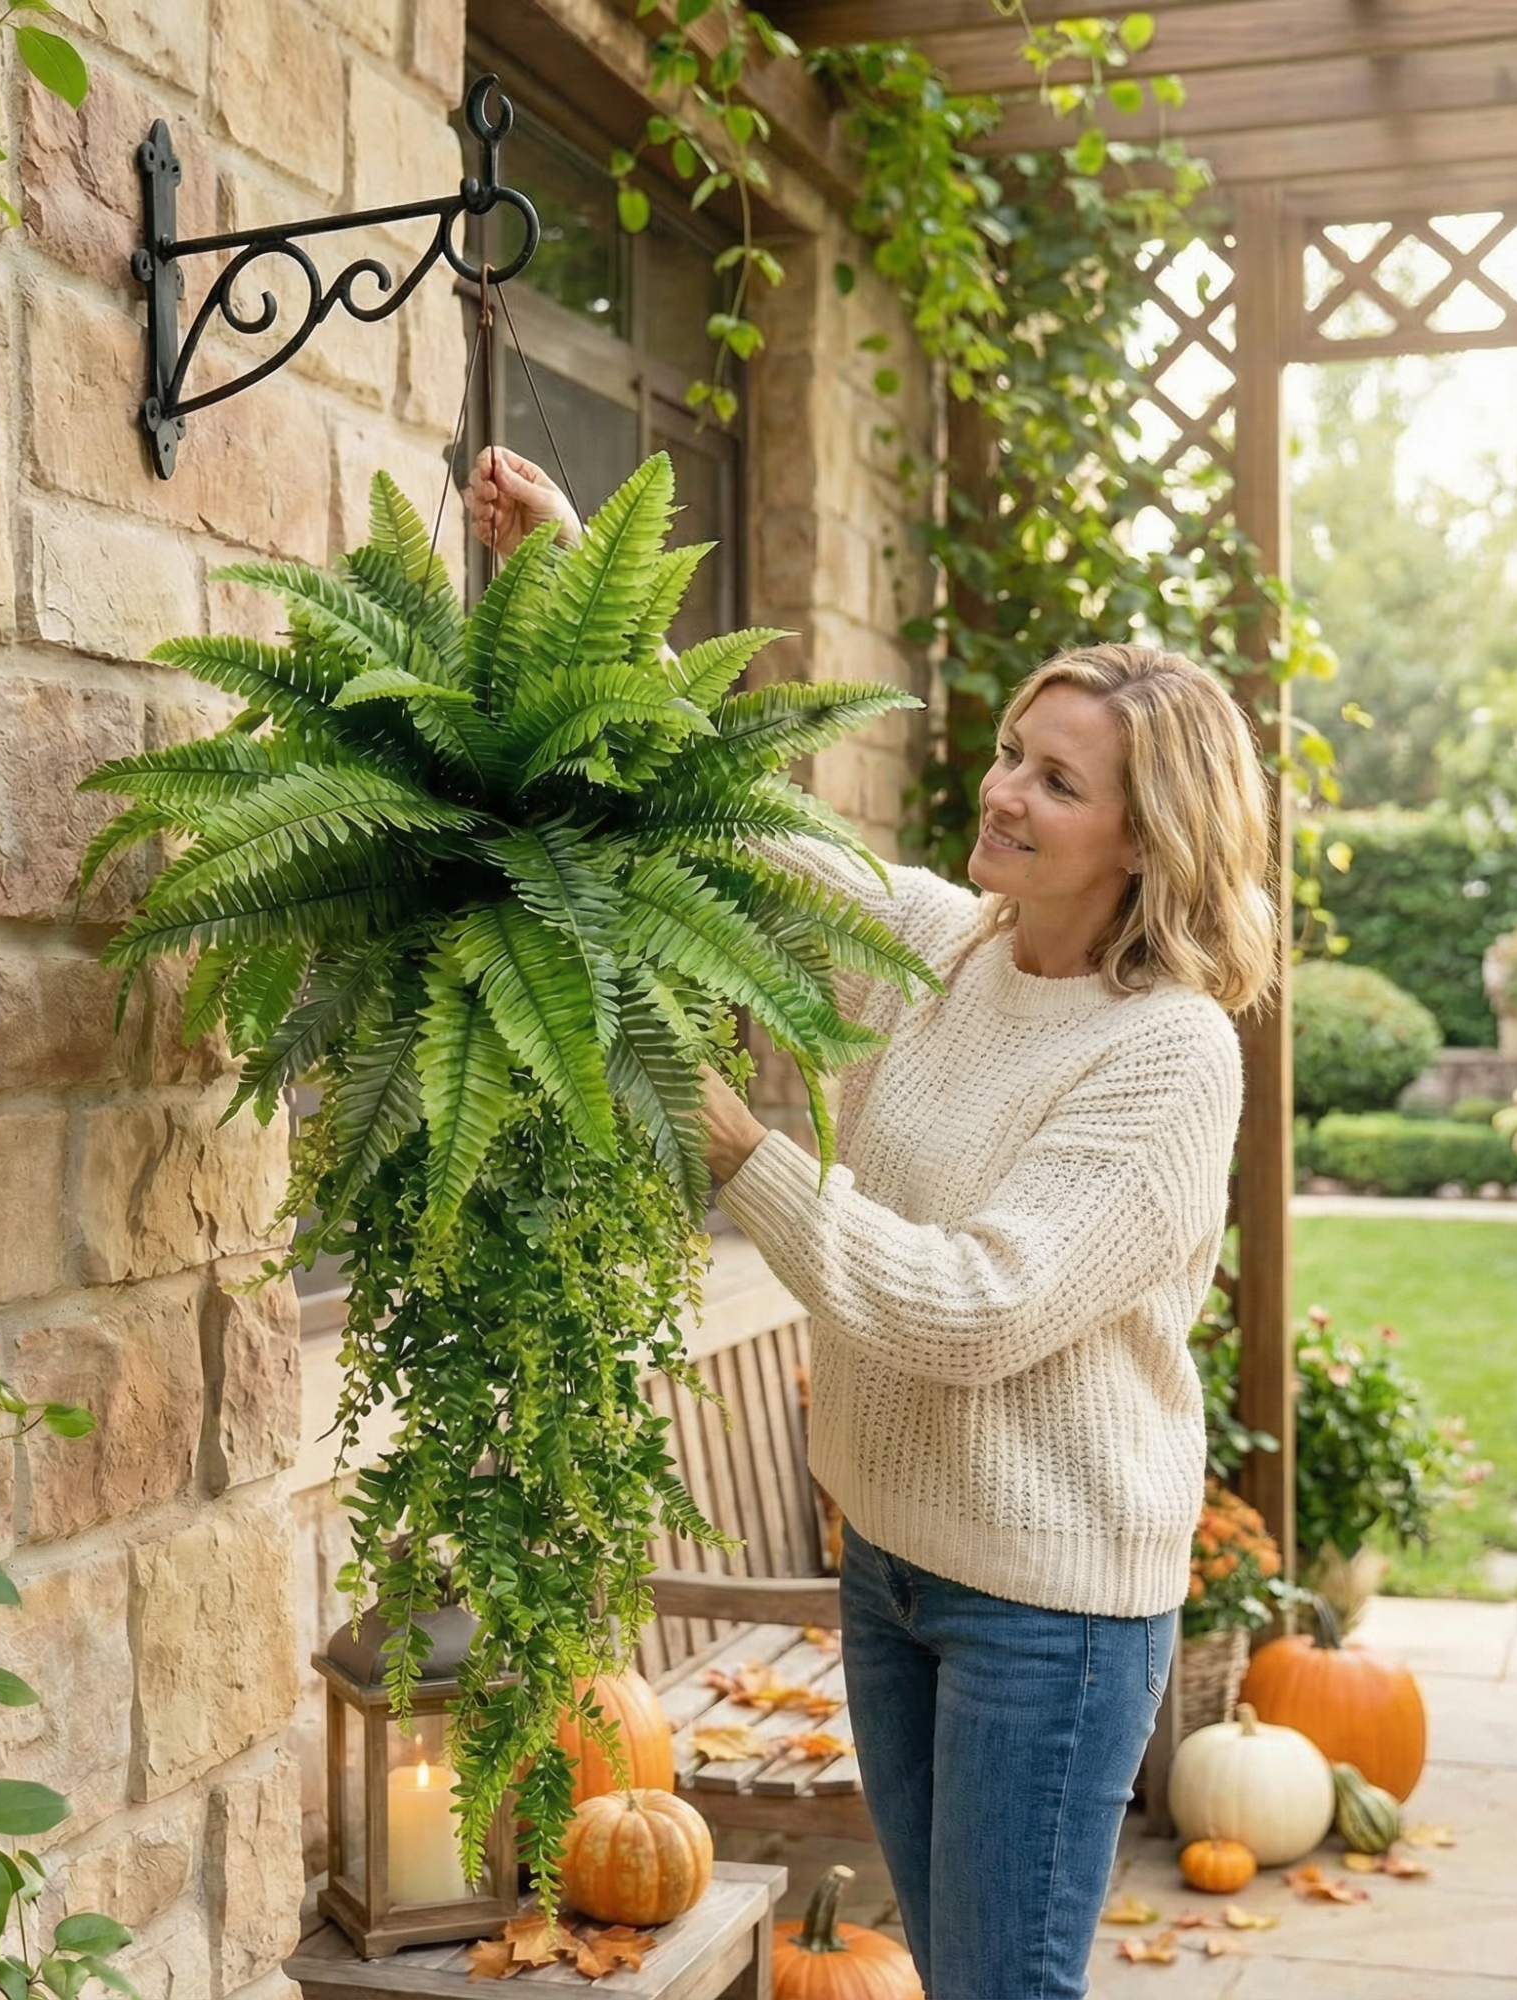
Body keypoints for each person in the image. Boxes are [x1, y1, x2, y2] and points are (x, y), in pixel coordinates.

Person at [467, 446, 1278, 2000]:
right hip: (892, 1561)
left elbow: (970, 1309)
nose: (1003, 790)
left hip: (1049, 1612)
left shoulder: (1167, 1053)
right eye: (1011, 755)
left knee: (996, 1987)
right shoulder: (955, 943)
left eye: (1057, 779)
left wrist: (739, 1147)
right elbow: (749, 829)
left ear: (1148, 838)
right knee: (951, 1968)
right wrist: (580, 580)